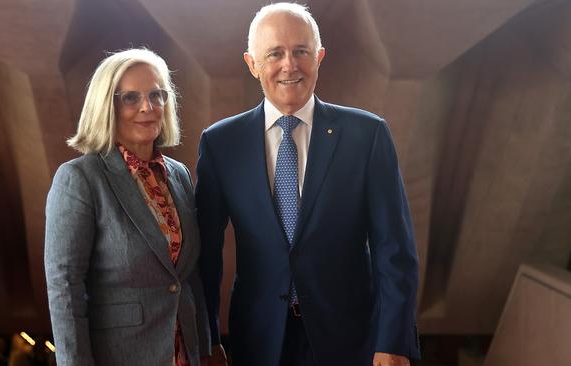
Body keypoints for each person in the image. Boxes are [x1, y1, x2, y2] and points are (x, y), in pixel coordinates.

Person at [196, 3, 420, 366]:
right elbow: (205, 256)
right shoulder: (221, 144)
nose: (290, 65)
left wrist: (393, 341)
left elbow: (394, 249)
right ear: (252, 64)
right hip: (259, 338)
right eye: (275, 54)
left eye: (301, 51)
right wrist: (206, 340)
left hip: (350, 337)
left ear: (319, 57)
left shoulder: (367, 135)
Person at [45, 48, 211, 366]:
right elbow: (64, 286)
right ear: (107, 105)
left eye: (157, 95)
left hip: (183, 354)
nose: (147, 107)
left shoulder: (178, 174)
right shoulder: (79, 178)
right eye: (131, 98)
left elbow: (189, 279)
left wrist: (205, 349)